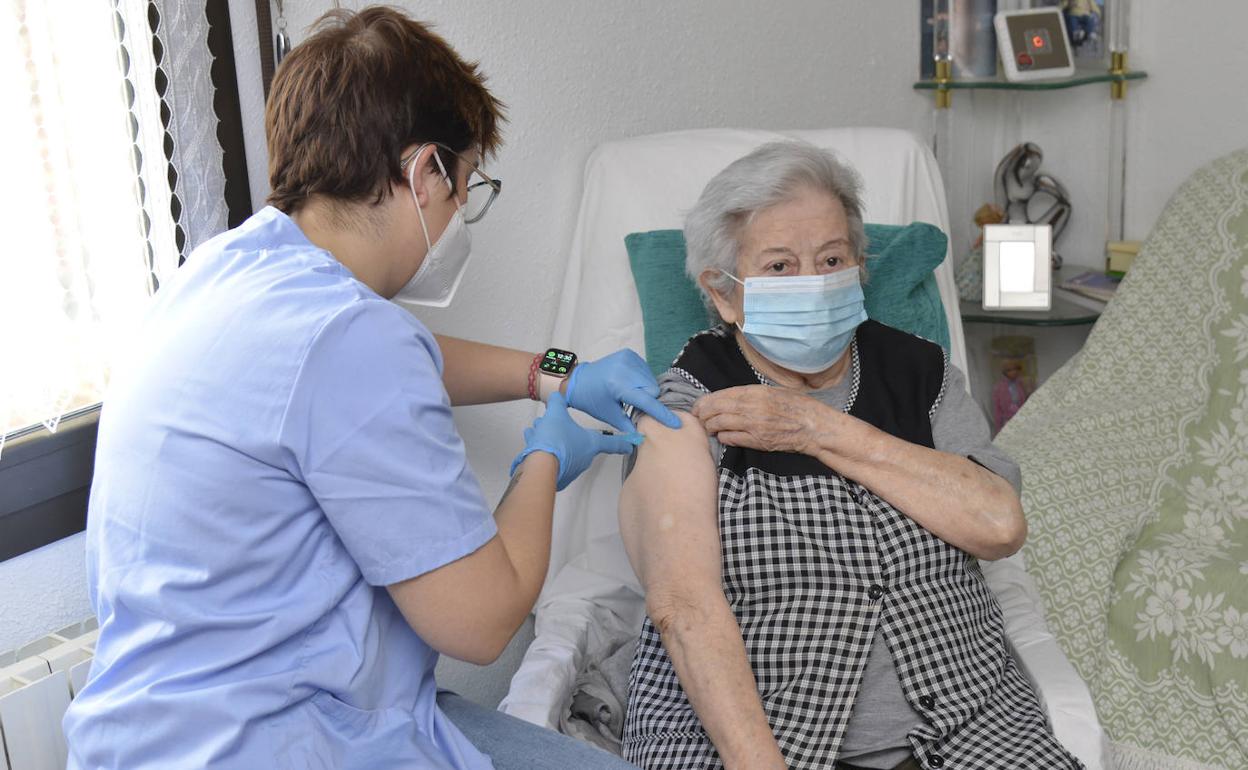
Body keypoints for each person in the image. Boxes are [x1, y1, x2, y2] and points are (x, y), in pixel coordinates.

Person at [62, 7, 675, 769]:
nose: (461, 214)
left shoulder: (228, 271)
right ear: (424, 173)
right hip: (265, 742)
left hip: (157, 727)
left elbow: (387, 361)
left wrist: (553, 371)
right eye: (465, 188)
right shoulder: (350, 342)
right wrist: (542, 461)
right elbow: (482, 626)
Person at [616, 142, 1082, 769]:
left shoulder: (920, 372)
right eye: (780, 267)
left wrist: (819, 428)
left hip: (968, 720)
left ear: (860, 267)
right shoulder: (688, 398)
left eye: (832, 258)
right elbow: (684, 605)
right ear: (725, 295)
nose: (813, 282)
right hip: (761, 739)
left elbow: (999, 526)